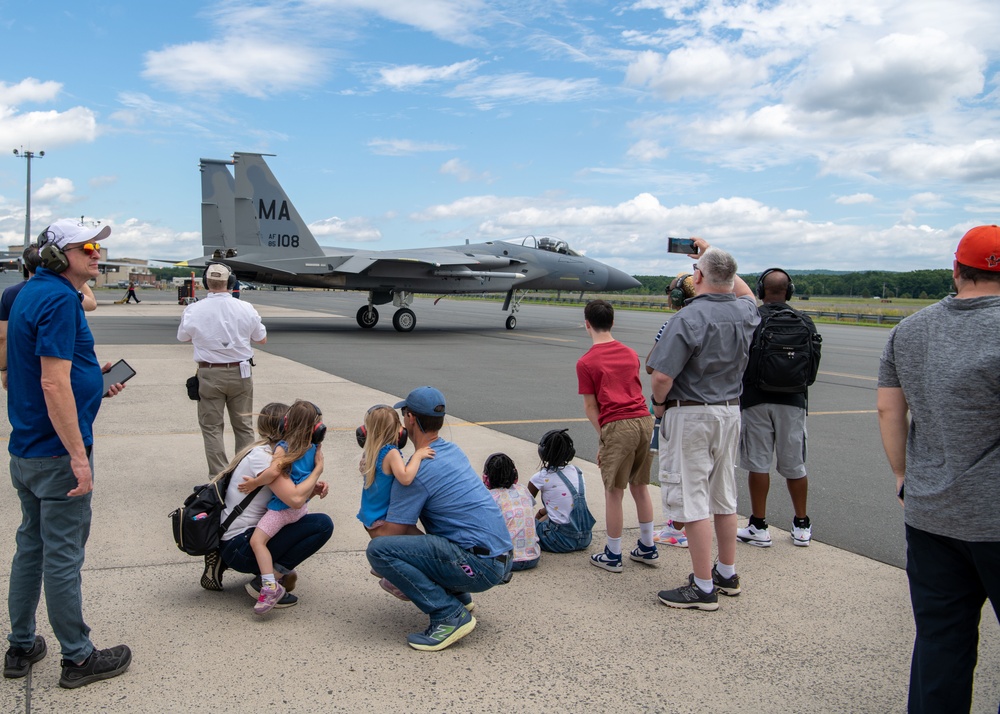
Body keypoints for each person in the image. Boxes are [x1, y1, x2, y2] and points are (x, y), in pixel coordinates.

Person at [4, 219, 132, 688]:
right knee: (62, 558)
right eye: (88, 247)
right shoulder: (60, 299)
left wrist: (92, 381)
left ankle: (21, 645)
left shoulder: (30, 294)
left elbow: (54, 371)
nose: (98, 254)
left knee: (30, 548)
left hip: (27, 448)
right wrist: (78, 457)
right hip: (58, 455)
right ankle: (78, 659)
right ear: (59, 256)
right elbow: (52, 381)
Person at [876, 224, 1000, 712]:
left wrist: (904, 475)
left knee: (940, 642)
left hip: (931, 514)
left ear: (956, 270)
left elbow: (890, 410)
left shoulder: (910, 329)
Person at [647, 239, 759, 611]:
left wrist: (659, 406)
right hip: (730, 411)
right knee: (723, 496)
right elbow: (743, 292)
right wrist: (713, 257)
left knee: (692, 498)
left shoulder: (688, 317)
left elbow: (662, 375)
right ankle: (726, 572)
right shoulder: (745, 312)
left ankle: (703, 586)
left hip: (692, 412)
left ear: (697, 278)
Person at [365, 386, 513, 652]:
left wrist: (368, 514)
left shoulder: (417, 471)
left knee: (379, 552)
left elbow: (391, 534)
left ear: (410, 418)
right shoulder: (451, 450)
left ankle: (448, 614)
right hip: (499, 557)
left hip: (479, 566)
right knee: (419, 545)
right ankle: (458, 595)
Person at [214, 403, 333, 611]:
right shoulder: (267, 458)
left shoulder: (272, 452)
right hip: (239, 545)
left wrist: (311, 490)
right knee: (322, 525)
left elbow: (294, 496)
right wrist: (318, 471)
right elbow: (294, 500)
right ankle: (266, 583)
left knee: (312, 524)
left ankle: (271, 575)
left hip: (238, 537)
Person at [737, 267, 821, 548]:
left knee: (759, 464)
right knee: (794, 464)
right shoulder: (804, 321)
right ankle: (801, 524)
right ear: (790, 291)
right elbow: (811, 369)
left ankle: (759, 526)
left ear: (761, 291)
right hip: (794, 401)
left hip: (755, 399)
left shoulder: (753, 319)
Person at [577, 300, 657, 573]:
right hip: (645, 421)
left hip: (618, 424)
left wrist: (605, 439)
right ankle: (647, 546)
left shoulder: (586, 362)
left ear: (587, 323)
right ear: (612, 323)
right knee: (640, 485)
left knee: (614, 491)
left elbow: (591, 407)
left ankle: (613, 553)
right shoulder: (630, 353)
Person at [177, 263, 267, 476]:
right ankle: (243, 474)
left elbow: (182, 337)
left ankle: (218, 477)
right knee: (244, 426)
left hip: (209, 374)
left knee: (212, 428)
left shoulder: (193, 309)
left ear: (205, 282)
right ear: (231, 282)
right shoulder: (246, 308)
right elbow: (261, 339)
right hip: (241, 372)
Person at [356, 404, 435, 597]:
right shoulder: (390, 452)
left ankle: (382, 567)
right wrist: (418, 455)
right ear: (395, 430)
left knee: (416, 538)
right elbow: (406, 477)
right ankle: (393, 578)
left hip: (371, 519)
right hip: (384, 521)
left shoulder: (371, 452)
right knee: (426, 547)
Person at [528, 429, 595, 553]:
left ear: (542, 452)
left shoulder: (540, 477)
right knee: (553, 514)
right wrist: (542, 513)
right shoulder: (578, 471)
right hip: (585, 539)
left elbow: (524, 507)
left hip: (559, 541)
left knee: (530, 526)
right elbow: (562, 502)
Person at [484, 452, 540, 571]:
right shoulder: (523, 490)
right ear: (515, 475)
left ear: (486, 478)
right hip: (533, 558)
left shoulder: (490, 497)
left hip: (507, 561)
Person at [0, 243, 42, 391]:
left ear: (25, 266)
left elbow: (3, 337)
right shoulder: (62, 293)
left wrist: (4, 370)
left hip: (21, 365)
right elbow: (91, 303)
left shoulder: (10, 293)